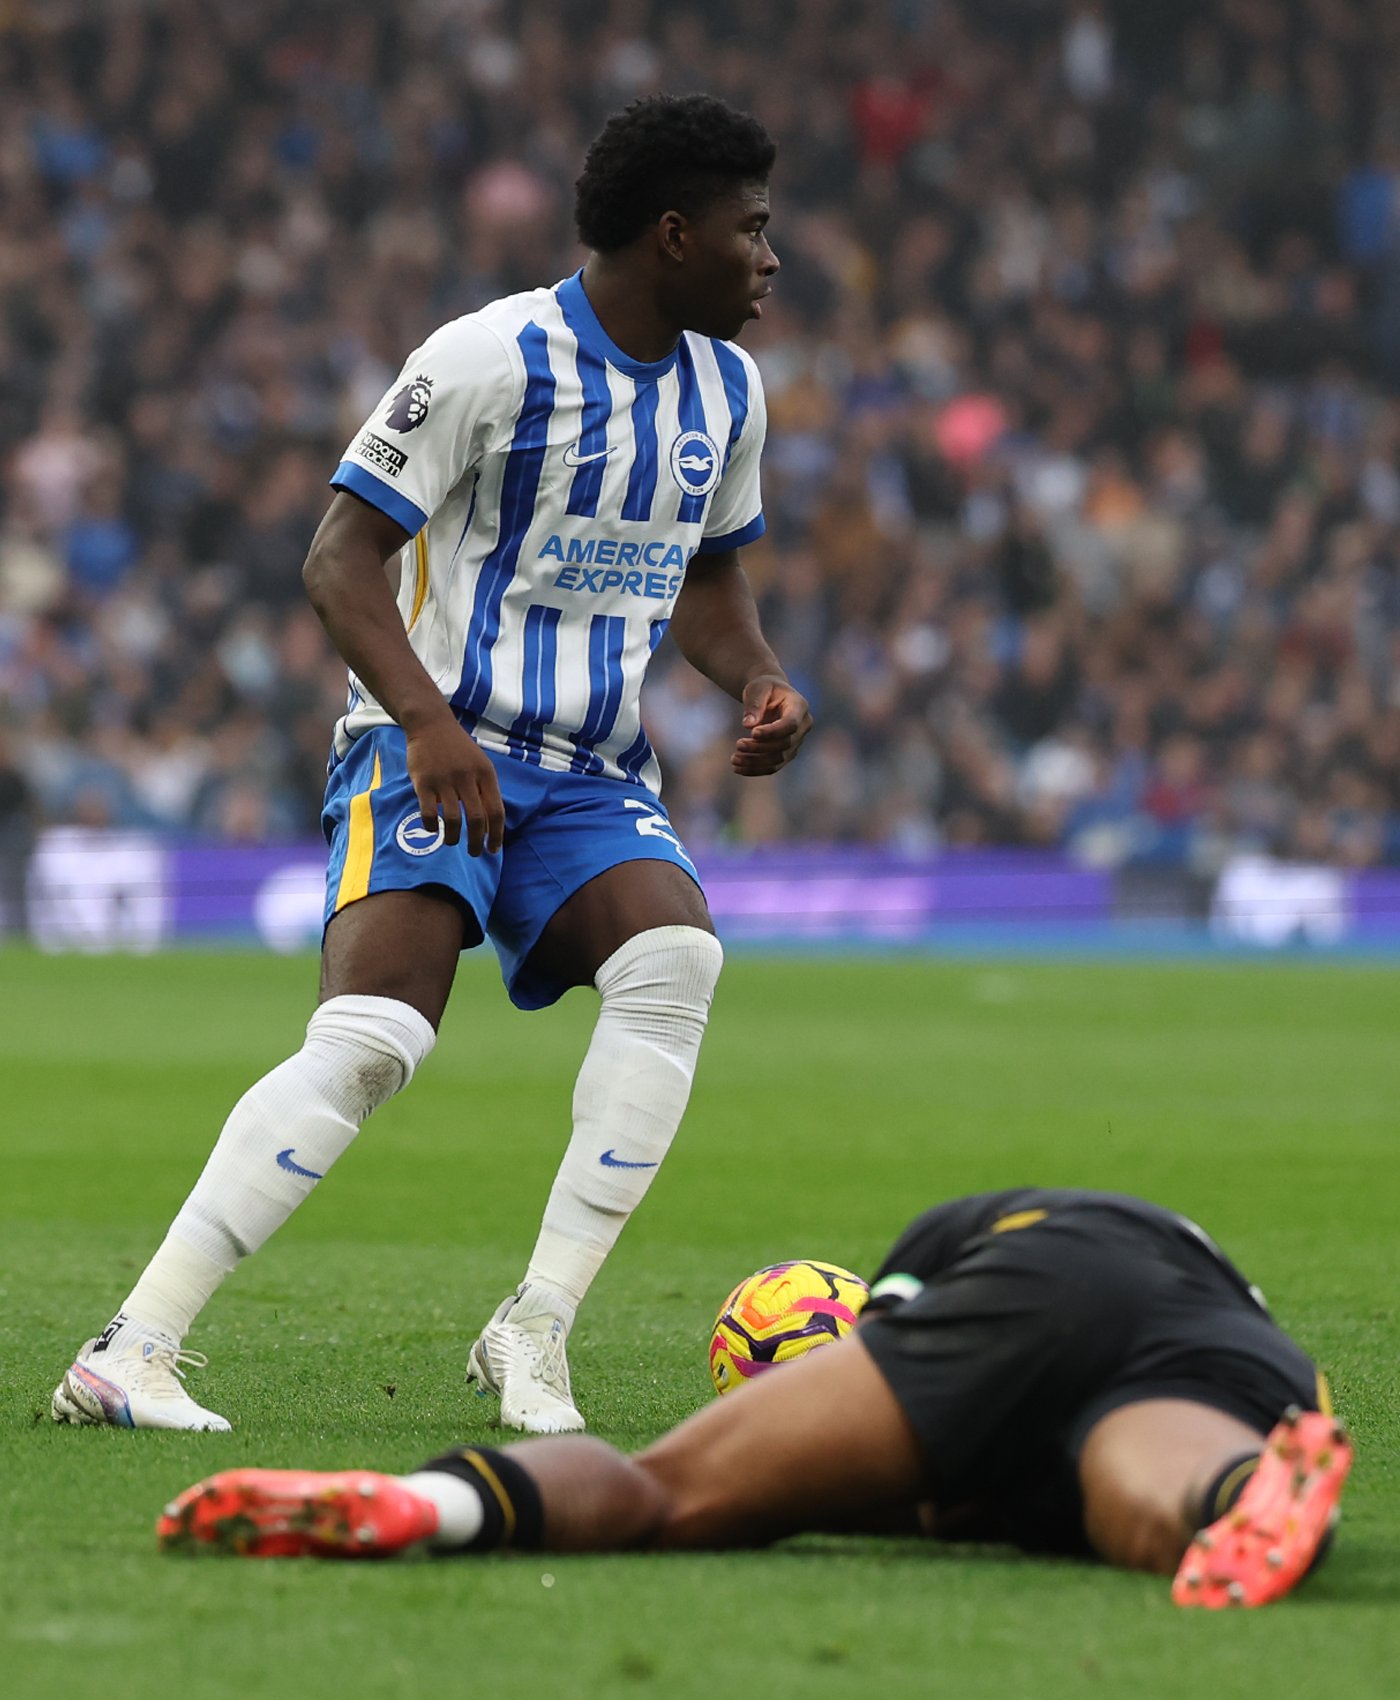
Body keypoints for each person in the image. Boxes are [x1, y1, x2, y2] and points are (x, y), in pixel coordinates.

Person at [52, 93, 808, 1436]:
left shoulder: (728, 391)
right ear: (674, 234)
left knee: (677, 959)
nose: (771, 257)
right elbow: (337, 561)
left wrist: (754, 678)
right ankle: (132, 1349)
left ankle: (534, 1332)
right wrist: (425, 724)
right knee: (376, 1039)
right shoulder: (487, 358)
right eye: (751, 231)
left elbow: (708, 579)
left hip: (586, 771)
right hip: (432, 748)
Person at [157, 1187, 1351, 1610]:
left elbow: (913, 1416)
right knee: (1147, 1503)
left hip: (1052, 1259)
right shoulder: (1203, 1319)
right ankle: (1250, 1487)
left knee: (666, 1490)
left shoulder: (941, 1250)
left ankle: (433, 1506)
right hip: (1253, 1366)